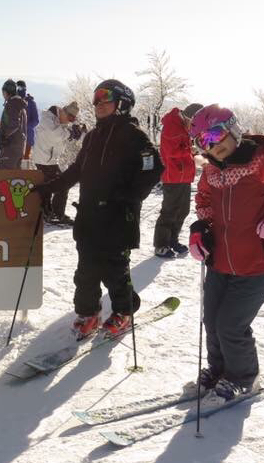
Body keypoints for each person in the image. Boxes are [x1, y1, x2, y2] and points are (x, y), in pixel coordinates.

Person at [187, 104, 264, 403]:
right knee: (213, 321)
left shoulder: (262, 163)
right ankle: (219, 369)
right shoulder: (210, 171)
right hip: (219, 261)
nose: (212, 145)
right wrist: (201, 230)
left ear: (233, 129)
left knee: (232, 325)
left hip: (256, 263)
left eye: (216, 135)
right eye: (203, 142)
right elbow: (204, 200)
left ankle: (245, 379)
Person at [34, 79, 162, 337]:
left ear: (123, 103)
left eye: (105, 98)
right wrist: (46, 188)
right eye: (95, 99)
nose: (98, 104)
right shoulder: (92, 137)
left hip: (117, 218)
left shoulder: (134, 136)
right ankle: (89, 312)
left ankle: (125, 311)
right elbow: (75, 171)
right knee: (86, 272)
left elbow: (153, 170)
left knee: (115, 270)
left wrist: (128, 196)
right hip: (89, 215)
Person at [153, 103, 203, 259]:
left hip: (184, 176)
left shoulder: (183, 126)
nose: (193, 128)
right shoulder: (172, 125)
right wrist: (190, 149)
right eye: (194, 124)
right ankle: (161, 245)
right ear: (188, 118)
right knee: (169, 211)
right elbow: (171, 151)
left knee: (183, 210)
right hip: (173, 176)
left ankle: (172, 240)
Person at [33, 101, 82, 224]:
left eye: (73, 119)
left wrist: (73, 133)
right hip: (44, 160)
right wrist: (70, 133)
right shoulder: (47, 119)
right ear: (63, 111)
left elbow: (59, 138)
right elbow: (54, 135)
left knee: (49, 185)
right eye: (69, 117)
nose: (69, 121)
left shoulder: (57, 121)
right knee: (62, 184)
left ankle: (47, 212)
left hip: (48, 160)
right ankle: (56, 213)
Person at [0, 79, 27, 169]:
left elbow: (14, 124)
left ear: (7, 92)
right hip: (19, 147)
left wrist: (4, 137)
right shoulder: (20, 105)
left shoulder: (12, 105)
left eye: (3, 92)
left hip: (10, 148)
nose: (3, 95)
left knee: (5, 177)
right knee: (14, 179)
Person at [16, 80, 39, 166]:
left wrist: (25, 127)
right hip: (16, 138)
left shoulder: (31, 103)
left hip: (28, 137)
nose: (19, 90)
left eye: (21, 87)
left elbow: (36, 120)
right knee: (16, 160)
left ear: (25, 89)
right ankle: (15, 177)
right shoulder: (14, 102)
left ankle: (25, 177)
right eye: (17, 87)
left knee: (25, 160)